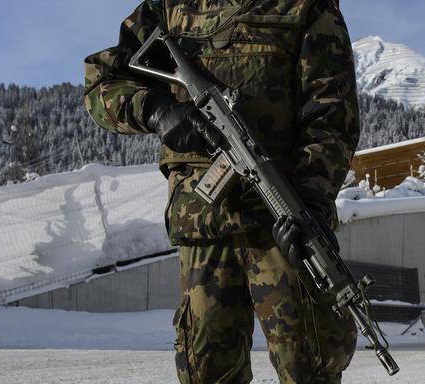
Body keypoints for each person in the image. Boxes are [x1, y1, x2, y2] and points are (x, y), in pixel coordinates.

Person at [82, 1, 359, 383]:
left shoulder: (306, 6)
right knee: (206, 373)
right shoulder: (169, 6)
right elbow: (102, 80)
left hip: (284, 223)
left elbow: (332, 114)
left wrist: (313, 197)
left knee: (310, 366)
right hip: (203, 223)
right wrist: (158, 111)